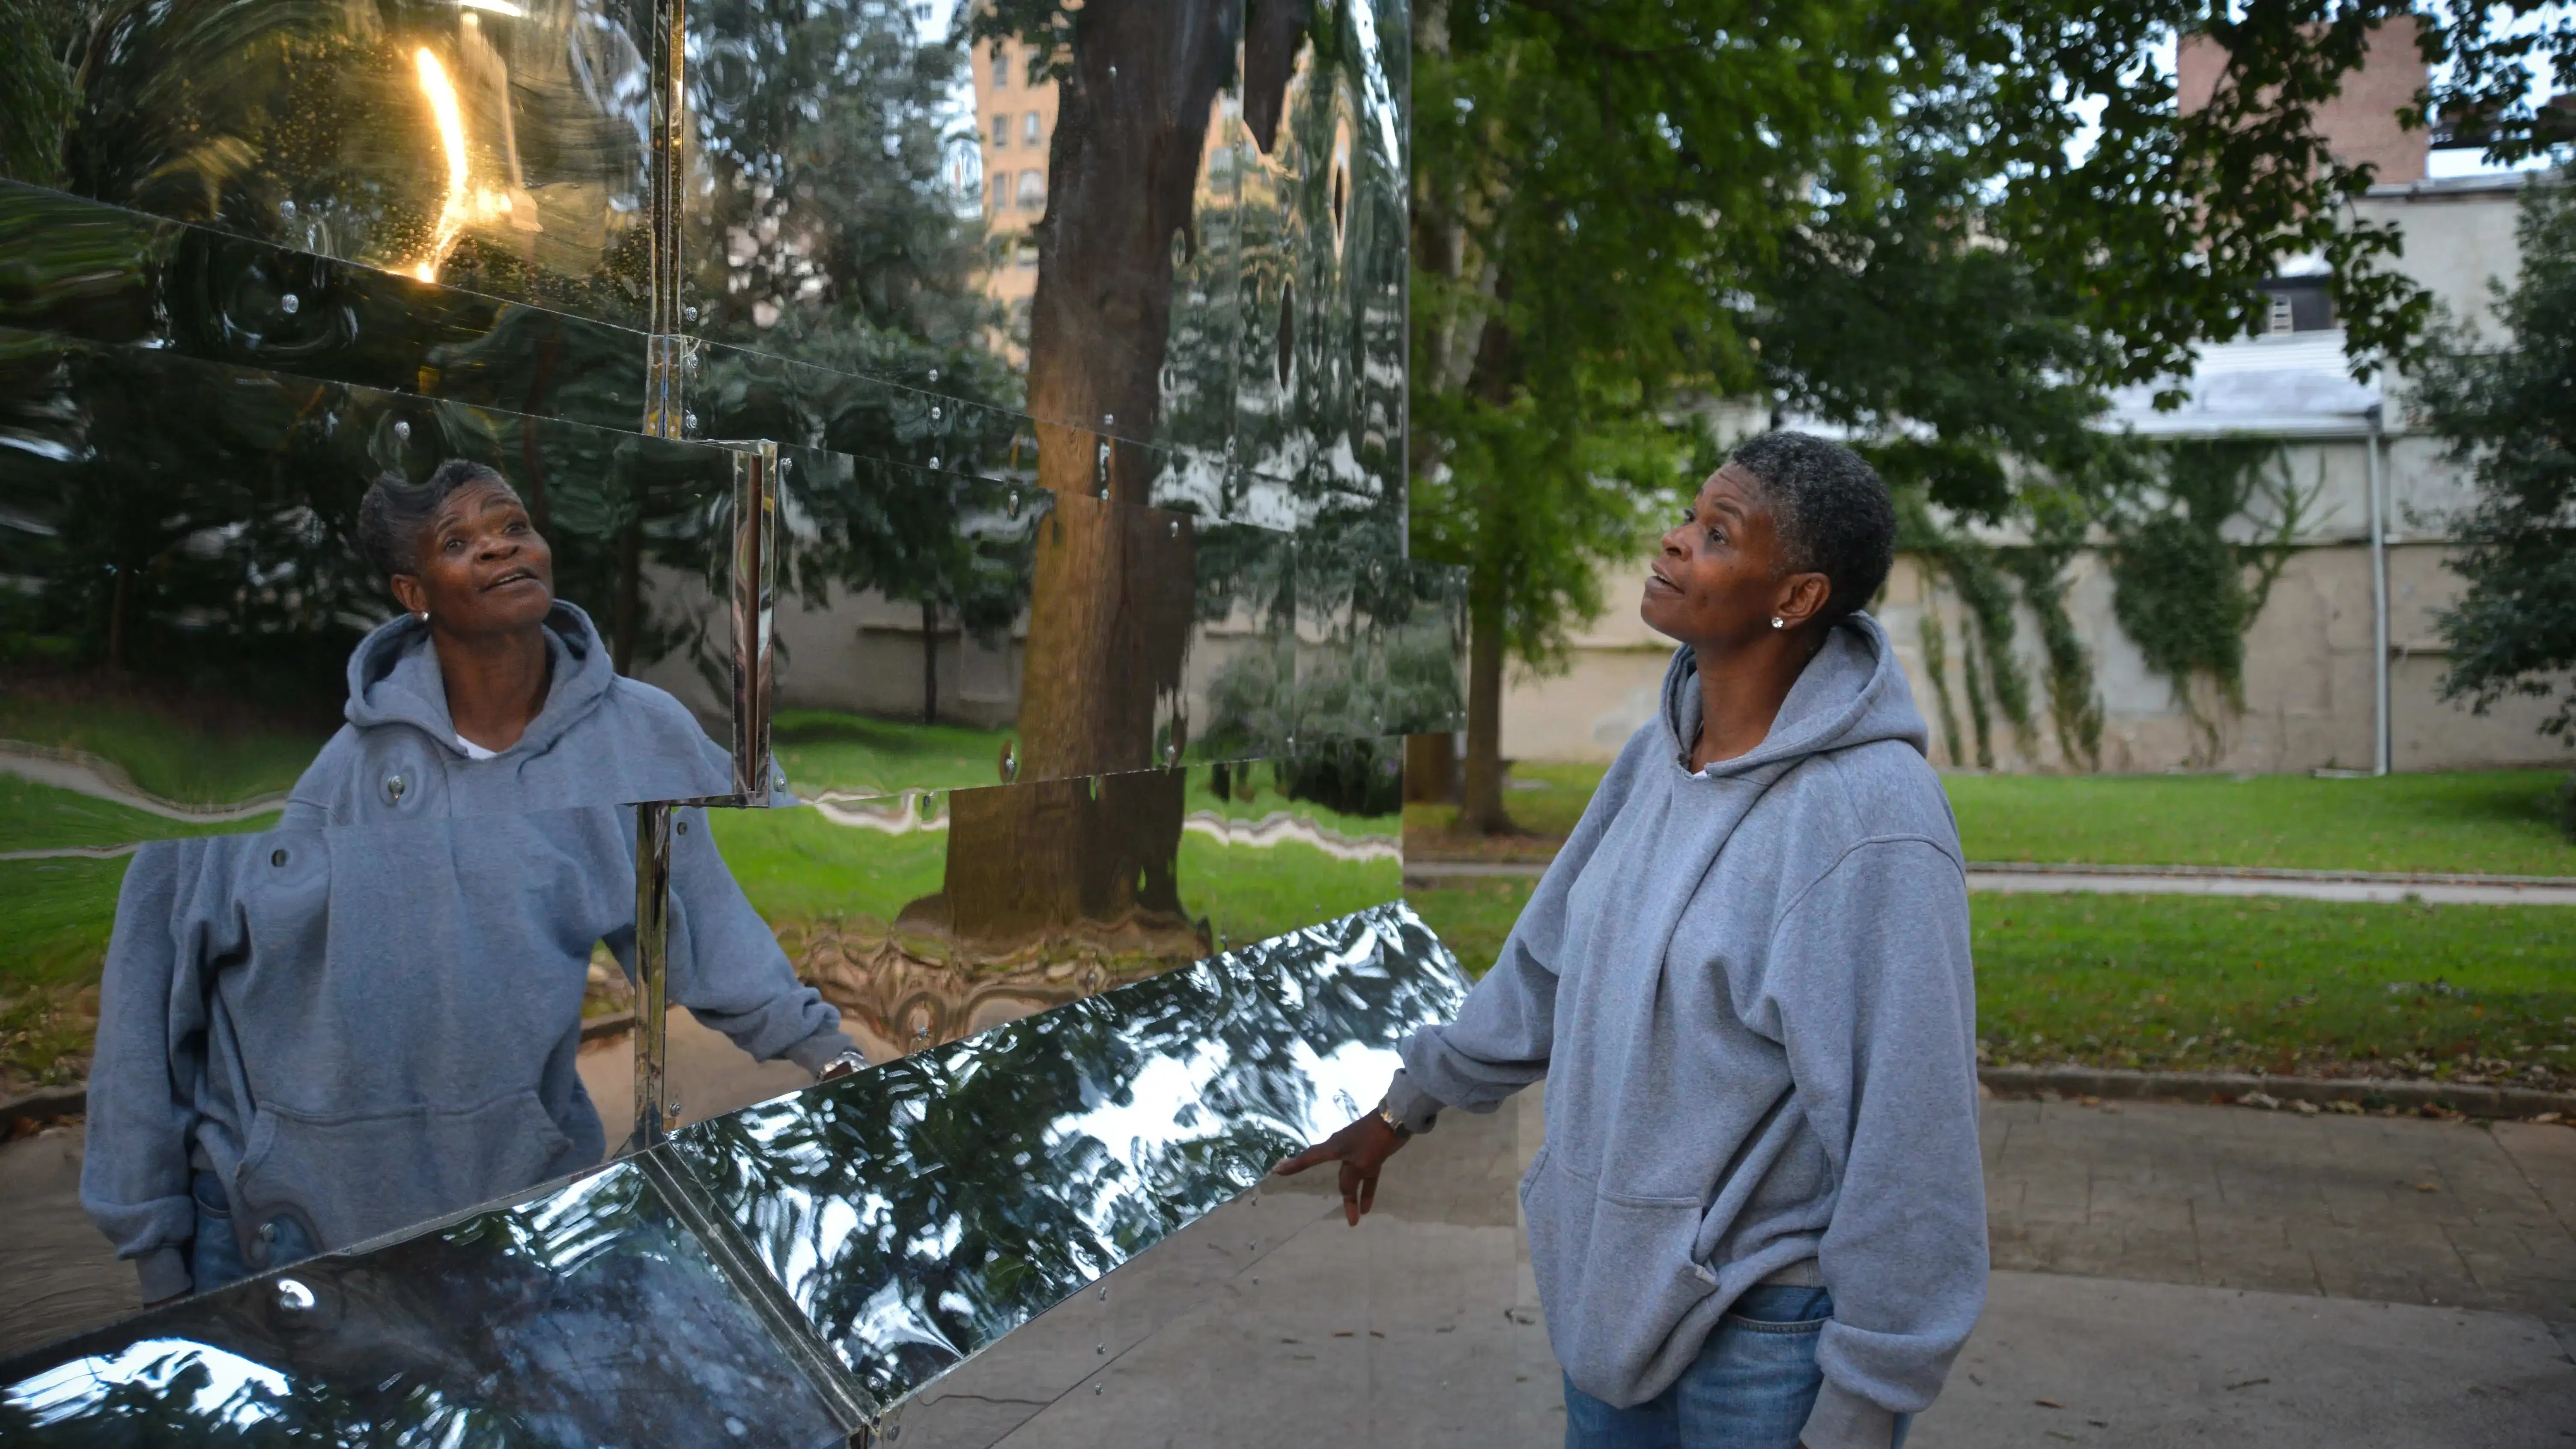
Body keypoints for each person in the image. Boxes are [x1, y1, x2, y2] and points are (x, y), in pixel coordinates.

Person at [1279, 433, 1985, 1449]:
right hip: (1606, 1304)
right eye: (1688, 516)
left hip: (1764, 1340)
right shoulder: (1663, 753)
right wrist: (1405, 1104)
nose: (1671, 540)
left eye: (1714, 533)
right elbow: (1548, 962)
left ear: (1794, 596)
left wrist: (1869, 1398)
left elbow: (1909, 1126)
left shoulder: (1870, 819)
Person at [83, 459, 860, 1303]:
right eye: (460, 542)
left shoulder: (635, 737)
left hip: (517, 1222)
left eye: (512, 525)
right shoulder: (277, 773)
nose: (500, 549)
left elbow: (704, 927)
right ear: (414, 593)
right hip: (274, 1237)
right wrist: (156, 1253)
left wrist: (834, 1057)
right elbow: (147, 1006)